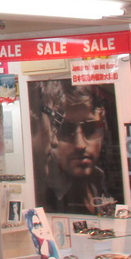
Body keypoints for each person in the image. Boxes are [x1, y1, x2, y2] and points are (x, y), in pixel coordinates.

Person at [34, 80, 117, 215]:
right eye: (66, 131)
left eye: (90, 129)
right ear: (49, 134)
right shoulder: (45, 196)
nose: (80, 145)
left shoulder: (101, 181)